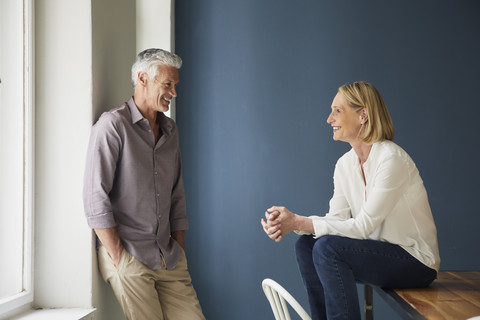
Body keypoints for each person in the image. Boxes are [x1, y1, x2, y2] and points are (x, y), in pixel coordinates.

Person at [261, 81, 440, 320]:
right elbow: (336, 220)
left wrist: (297, 222)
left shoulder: (391, 159)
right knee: (307, 245)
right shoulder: (345, 164)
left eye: (337, 110)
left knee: (327, 247)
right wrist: (292, 222)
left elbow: (364, 225)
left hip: (416, 261)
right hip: (379, 252)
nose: (329, 119)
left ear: (363, 115)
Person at [83, 48, 205, 320]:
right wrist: (119, 258)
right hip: (130, 255)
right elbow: (95, 196)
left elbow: (177, 195)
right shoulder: (112, 126)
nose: (174, 93)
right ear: (143, 79)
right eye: (168, 85)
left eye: (175, 85)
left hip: (169, 257)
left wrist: (179, 248)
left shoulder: (170, 131)